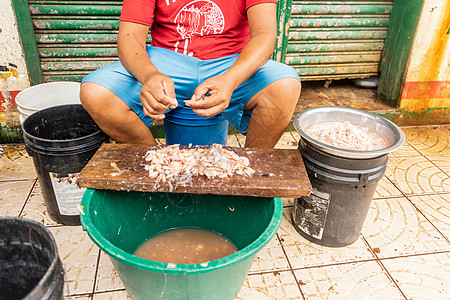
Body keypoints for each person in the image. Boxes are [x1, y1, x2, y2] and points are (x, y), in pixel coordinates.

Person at [80, 0, 301, 148]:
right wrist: (149, 76)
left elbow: (265, 34)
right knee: (95, 93)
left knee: (285, 86)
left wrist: (230, 80)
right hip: (164, 63)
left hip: (230, 64)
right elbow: (129, 36)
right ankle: (156, 161)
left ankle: (251, 171)